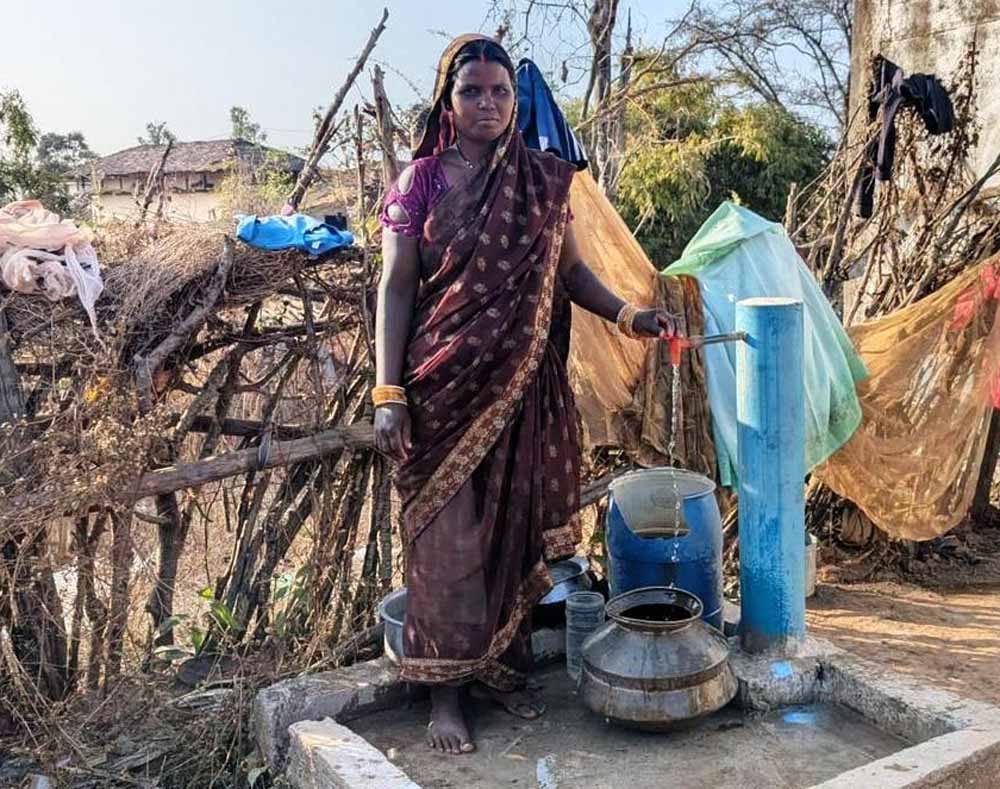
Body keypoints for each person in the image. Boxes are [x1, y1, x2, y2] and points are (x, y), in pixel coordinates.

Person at [375, 34, 680, 755]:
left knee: (510, 538)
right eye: (472, 91)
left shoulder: (543, 181)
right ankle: (445, 695)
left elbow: (572, 275)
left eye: (500, 92)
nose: (487, 103)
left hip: (521, 388)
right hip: (440, 389)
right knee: (447, 541)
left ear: (516, 101)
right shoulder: (420, 182)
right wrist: (388, 391)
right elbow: (395, 288)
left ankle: (498, 676)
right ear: (448, 102)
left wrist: (631, 316)